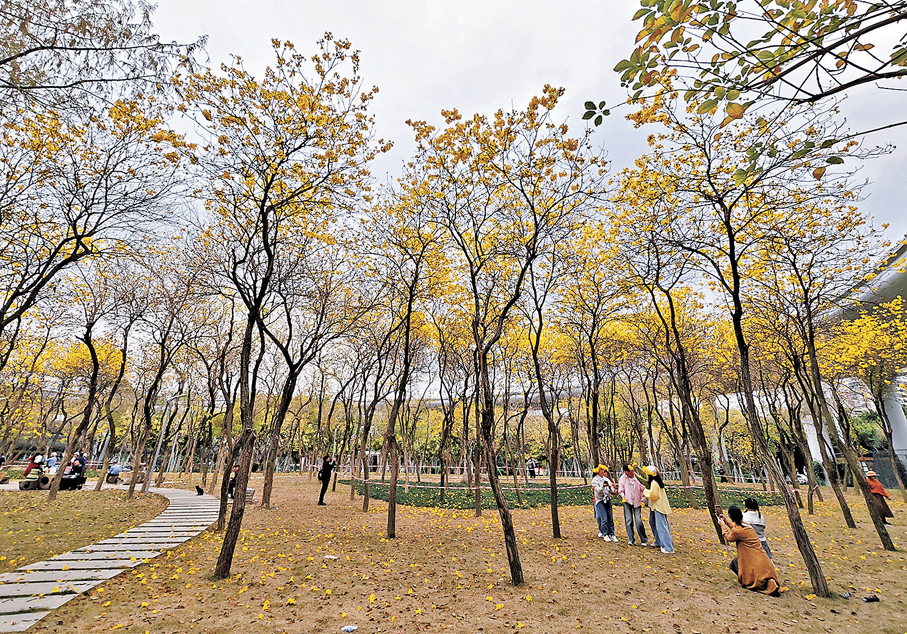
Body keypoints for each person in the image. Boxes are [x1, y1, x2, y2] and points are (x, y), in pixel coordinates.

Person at [719, 505, 780, 596]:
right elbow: (736, 528)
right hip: (763, 559)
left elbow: (729, 537)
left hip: (754, 561)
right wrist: (726, 521)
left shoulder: (738, 531)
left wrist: (723, 526)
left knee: (735, 564)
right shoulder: (747, 525)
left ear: (730, 516)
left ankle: (749, 581)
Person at [643, 465, 674, 554]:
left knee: (662, 527)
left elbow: (653, 495)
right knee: (654, 523)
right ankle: (659, 541)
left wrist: (645, 491)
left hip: (659, 507)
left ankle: (668, 547)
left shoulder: (654, 483)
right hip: (658, 506)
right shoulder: (657, 482)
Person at [618, 464, 649, 546]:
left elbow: (643, 489)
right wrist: (623, 497)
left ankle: (644, 540)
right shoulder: (623, 478)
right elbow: (621, 490)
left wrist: (643, 500)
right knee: (629, 521)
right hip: (627, 501)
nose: (630, 473)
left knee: (638, 520)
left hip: (637, 501)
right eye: (628, 472)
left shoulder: (637, 478)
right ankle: (631, 539)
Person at [591, 464, 617, 541]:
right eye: (602, 470)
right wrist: (602, 486)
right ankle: (605, 534)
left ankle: (612, 534)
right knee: (603, 518)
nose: (603, 472)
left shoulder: (607, 479)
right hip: (600, 501)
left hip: (608, 499)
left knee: (610, 518)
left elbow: (611, 489)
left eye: (604, 470)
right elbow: (597, 491)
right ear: (598, 471)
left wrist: (612, 489)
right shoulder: (595, 480)